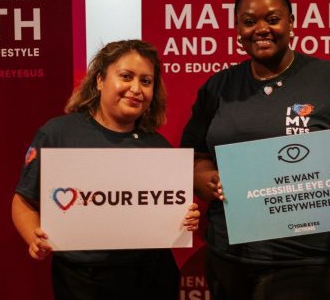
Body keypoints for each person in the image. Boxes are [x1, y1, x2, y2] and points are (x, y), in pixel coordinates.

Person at [180, 0, 330, 300]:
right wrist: (206, 179)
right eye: (249, 21)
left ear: (291, 23)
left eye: (273, 19)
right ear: (238, 29)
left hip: (319, 261)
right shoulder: (218, 88)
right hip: (233, 258)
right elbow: (195, 155)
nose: (261, 29)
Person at [12, 39, 200, 300]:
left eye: (146, 81)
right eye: (126, 76)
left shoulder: (158, 147)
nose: (136, 89)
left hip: (151, 274)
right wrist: (34, 238)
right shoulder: (58, 134)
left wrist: (186, 217)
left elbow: (171, 209)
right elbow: (23, 201)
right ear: (100, 80)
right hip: (83, 279)